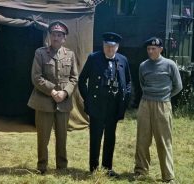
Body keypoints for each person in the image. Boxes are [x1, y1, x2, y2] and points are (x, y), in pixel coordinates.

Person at [27, 20, 78, 174]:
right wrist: (52, 91)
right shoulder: (40, 53)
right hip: (43, 101)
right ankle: (42, 166)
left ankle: (62, 166)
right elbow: (36, 77)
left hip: (63, 102)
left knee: (62, 136)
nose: (56, 37)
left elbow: (74, 78)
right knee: (43, 136)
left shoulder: (70, 54)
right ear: (49, 36)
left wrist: (65, 92)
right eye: (54, 34)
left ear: (64, 38)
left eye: (59, 35)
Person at [78, 32, 131, 177]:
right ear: (103, 45)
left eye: (112, 47)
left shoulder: (123, 60)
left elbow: (128, 82)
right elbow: (81, 80)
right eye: (107, 46)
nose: (109, 49)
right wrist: (87, 99)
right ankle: (94, 168)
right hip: (97, 105)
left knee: (110, 137)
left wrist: (125, 99)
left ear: (117, 47)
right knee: (95, 137)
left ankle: (107, 167)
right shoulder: (94, 58)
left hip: (113, 106)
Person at [134, 37, 182, 183]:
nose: (150, 51)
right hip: (145, 104)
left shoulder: (170, 65)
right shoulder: (143, 65)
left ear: (161, 49)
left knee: (164, 141)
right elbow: (142, 84)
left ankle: (168, 176)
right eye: (148, 49)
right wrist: (151, 95)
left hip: (163, 104)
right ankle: (141, 171)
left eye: (154, 49)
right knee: (142, 139)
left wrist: (165, 96)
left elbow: (178, 86)